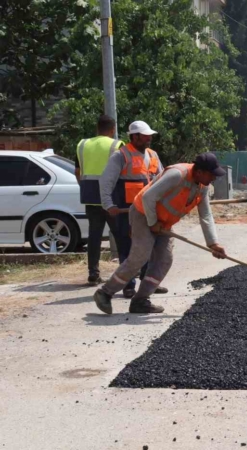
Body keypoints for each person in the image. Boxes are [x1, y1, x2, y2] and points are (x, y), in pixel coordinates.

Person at [93, 152, 227, 314]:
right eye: (211, 175)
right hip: (143, 213)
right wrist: (152, 222)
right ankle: (105, 293)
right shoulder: (177, 175)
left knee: (164, 259)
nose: (214, 179)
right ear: (200, 172)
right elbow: (148, 197)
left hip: (164, 221)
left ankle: (141, 300)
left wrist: (213, 243)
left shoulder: (202, 187)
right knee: (140, 256)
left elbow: (205, 214)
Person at [99, 120, 167, 298]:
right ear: (134, 136)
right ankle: (128, 285)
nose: (148, 139)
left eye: (149, 136)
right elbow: (106, 182)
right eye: (145, 136)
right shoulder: (121, 155)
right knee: (128, 248)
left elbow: (162, 180)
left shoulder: (153, 155)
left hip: (148, 209)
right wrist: (109, 205)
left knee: (149, 247)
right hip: (126, 211)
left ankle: (148, 284)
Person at [74, 115, 123, 286]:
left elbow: (78, 171)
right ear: (113, 129)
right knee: (121, 235)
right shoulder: (116, 145)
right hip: (112, 198)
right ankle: (127, 271)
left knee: (94, 236)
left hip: (91, 197)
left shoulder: (83, 145)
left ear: (97, 128)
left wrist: (86, 187)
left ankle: (93, 274)